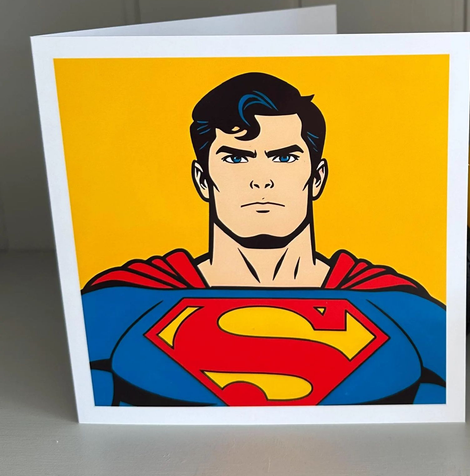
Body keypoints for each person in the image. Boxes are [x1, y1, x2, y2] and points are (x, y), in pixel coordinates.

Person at [82, 72, 445, 407]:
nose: (261, 179)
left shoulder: (395, 305)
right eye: (236, 158)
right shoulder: (126, 300)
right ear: (203, 179)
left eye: (284, 157)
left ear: (317, 178)